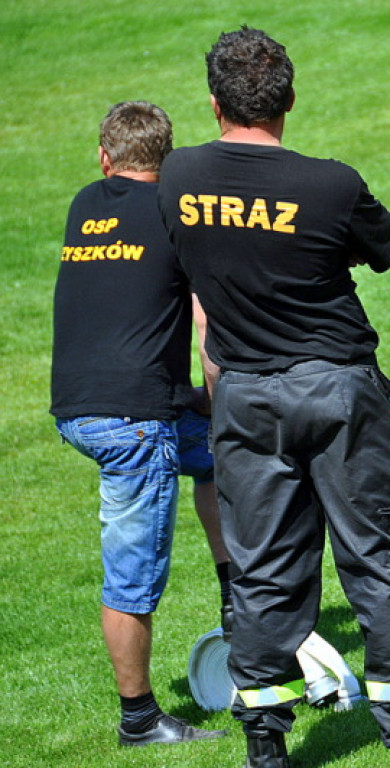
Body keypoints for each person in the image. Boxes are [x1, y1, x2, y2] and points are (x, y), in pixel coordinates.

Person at [157, 27, 390, 768]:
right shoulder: (330, 184)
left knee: (262, 571)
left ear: (214, 103)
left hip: (243, 398)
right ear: (290, 99)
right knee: (381, 560)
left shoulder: (179, 177)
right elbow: (383, 248)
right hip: (340, 392)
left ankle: (266, 750)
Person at [50, 101, 228, 748]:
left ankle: (237, 601)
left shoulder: (83, 204)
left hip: (77, 405)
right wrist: (217, 398)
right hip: (131, 422)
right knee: (133, 572)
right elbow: (206, 323)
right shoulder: (171, 215)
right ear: (168, 160)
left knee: (209, 454)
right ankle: (140, 720)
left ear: (105, 158)